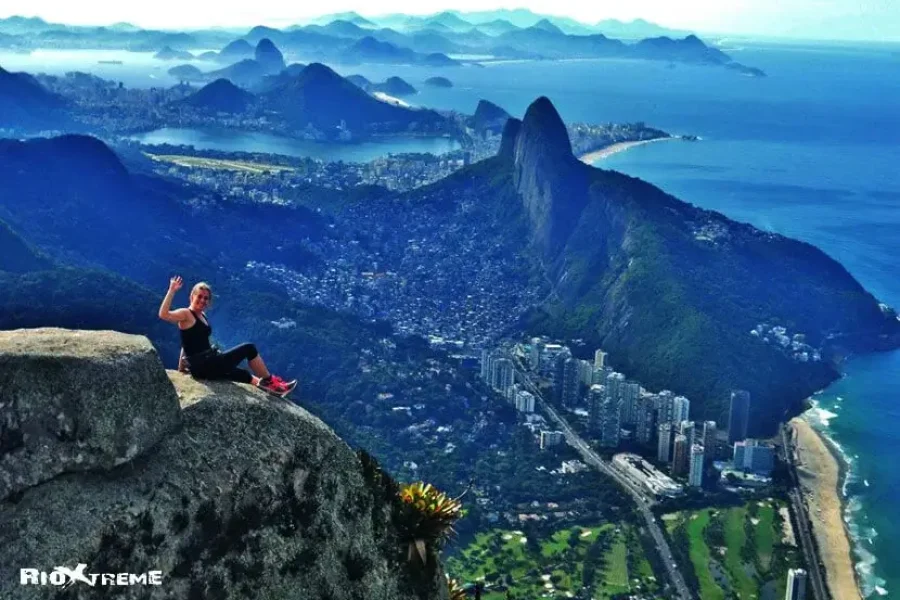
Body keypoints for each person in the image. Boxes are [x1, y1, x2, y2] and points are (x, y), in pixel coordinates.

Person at [158, 276, 297, 397]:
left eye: (206, 298)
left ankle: (274, 390)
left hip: (207, 364)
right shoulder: (186, 314)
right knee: (249, 348)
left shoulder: (202, 316)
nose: (202, 300)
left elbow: (187, 343)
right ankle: (268, 380)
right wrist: (172, 290)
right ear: (191, 296)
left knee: (244, 375)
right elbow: (164, 315)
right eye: (199, 296)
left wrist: (181, 368)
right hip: (206, 365)